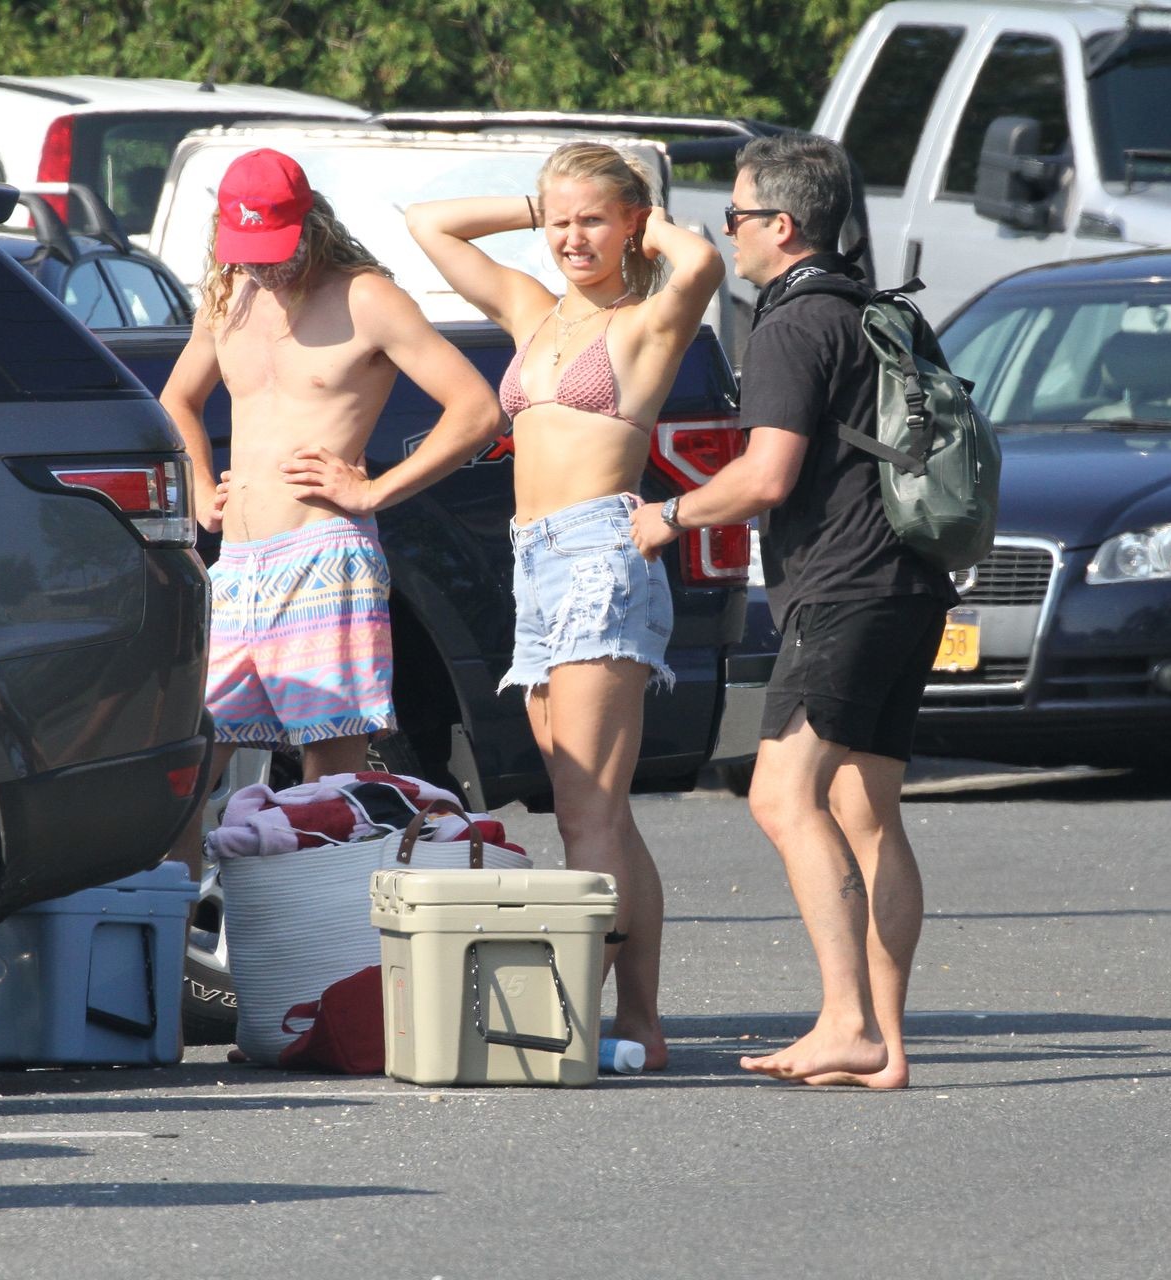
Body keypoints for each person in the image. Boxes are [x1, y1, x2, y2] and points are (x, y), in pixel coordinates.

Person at [365, 142, 722, 1069]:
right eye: (559, 222)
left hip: (603, 554)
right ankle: (638, 1023)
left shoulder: (648, 318)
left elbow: (701, 262)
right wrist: (543, 207)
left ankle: (576, 1021)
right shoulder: (532, 308)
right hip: (534, 563)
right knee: (595, 811)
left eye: (592, 220)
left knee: (586, 810)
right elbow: (429, 225)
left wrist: (645, 220)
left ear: (631, 224)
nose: (572, 237)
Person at [630, 133, 957, 1089]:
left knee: (782, 794)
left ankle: (847, 1024)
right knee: (866, 810)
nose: (728, 233)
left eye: (736, 217)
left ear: (781, 225)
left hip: (842, 589)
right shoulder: (879, 309)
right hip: (911, 581)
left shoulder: (790, 325)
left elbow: (766, 476)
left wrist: (667, 517)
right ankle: (886, 1046)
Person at [160, 148, 503, 872]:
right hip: (240, 568)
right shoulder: (229, 295)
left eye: (275, 249)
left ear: (311, 222)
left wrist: (375, 490)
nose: (264, 267)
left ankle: (319, 932)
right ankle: (179, 935)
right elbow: (177, 399)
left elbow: (477, 409)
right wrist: (200, 489)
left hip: (323, 557)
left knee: (328, 783)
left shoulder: (366, 297)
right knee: (191, 765)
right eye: (247, 249)